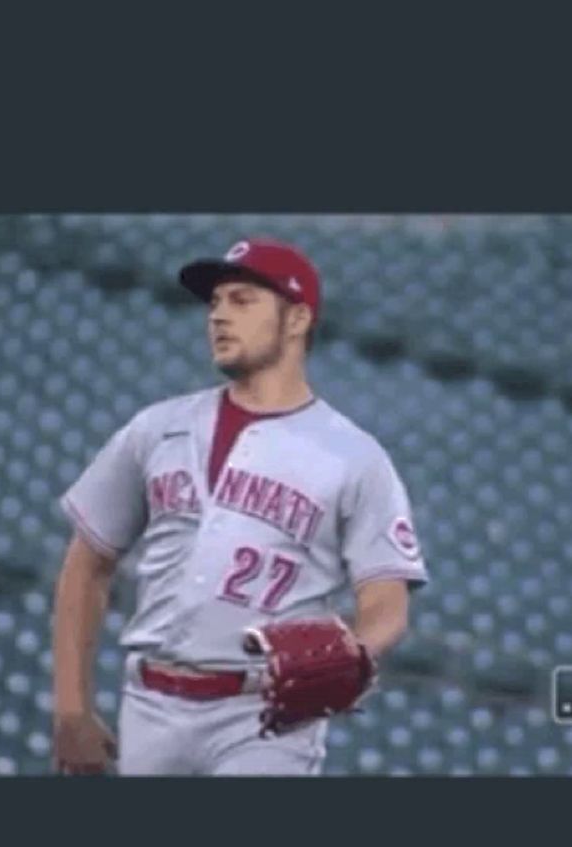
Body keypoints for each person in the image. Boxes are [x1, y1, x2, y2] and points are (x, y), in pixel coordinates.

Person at [51, 238, 429, 776]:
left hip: (266, 718)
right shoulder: (156, 428)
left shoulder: (354, 456)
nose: (220, 316)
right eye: (215, 303)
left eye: (243, 301)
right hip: (150, 703)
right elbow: (86, 565)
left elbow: (387, 606)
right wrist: (71, 710)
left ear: (297, 319)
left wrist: (354, 651)